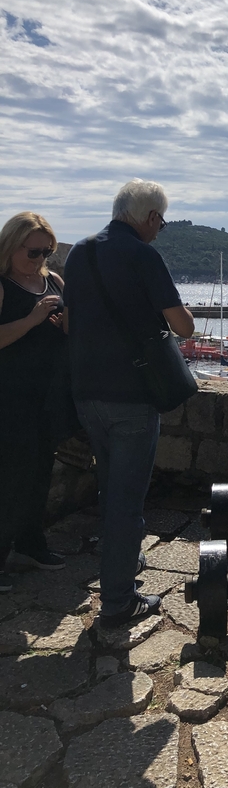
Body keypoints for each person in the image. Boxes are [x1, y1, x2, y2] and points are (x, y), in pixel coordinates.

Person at [64, 179, 194, 627]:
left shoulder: (79, 252)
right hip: (132, 395)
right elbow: (183, 327)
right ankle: (119, 600)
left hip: (86, 390)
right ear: (150, 217)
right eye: (161, 220)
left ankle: (126, 560)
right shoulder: (143, 254)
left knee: (109, 488)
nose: (160, 228)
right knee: (126, 498)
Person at [0, 212, 68, 592]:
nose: (40, 259)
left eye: (47, 251)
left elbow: (70, 333)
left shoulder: (54, 282)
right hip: (10, 398)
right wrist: (31, 319)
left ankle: (31, 544)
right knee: (10, 478)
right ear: (11, 247)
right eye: (33, 252)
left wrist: (65, 323)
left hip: (46, 396)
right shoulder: (3, 287)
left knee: (40, 473)